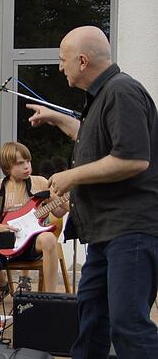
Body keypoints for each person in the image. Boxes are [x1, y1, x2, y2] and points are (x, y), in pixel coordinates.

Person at [26, 26, 158, 358]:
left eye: (63, 59)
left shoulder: (122, 92)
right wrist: (57, 118)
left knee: (128, 326)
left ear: (83, 61)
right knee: (92, 323)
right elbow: (94, 137)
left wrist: (71, 176)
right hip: (105, 233)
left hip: (131, 231)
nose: (60, 67)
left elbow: (132, 159)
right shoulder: (105, 95)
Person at [0, 141, 68, 334]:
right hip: (4, 242)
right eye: (20, 163)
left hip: (31, 241)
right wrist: (0, 227)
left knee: (49, 240)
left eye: (28, 161)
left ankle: (48, 303)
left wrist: (66, 199)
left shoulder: (40, 182)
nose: (27, 167)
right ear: (7, 167)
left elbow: (57, 212)